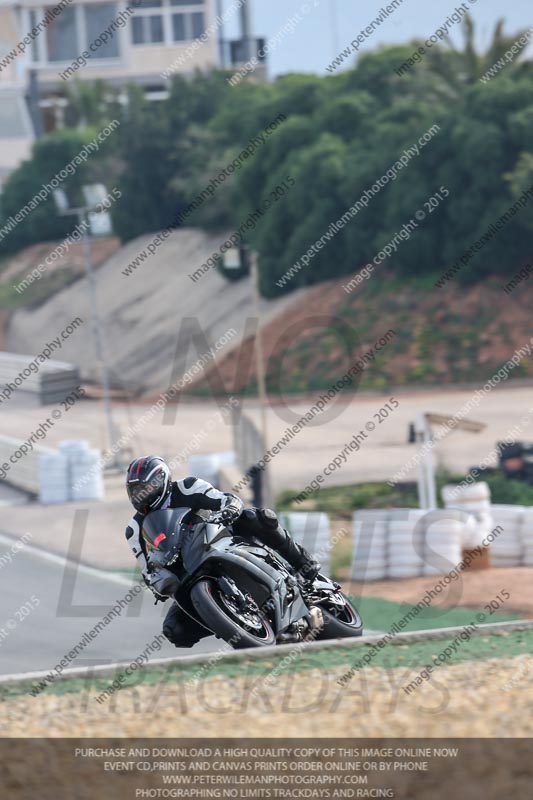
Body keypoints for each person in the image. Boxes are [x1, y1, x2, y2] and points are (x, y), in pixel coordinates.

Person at [125, 455, 320, 648]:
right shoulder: (134, 528)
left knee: (256, 517)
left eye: (144, 488)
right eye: (135, 492)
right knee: (174, 630)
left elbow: (225, 499)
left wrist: (228, 509)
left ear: (161, 479)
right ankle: (230, 618)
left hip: (220, 537)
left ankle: (302, 562)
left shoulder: (187, 487)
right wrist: (155, 581)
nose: (140, 496)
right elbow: (146, 569)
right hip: (185, 572)